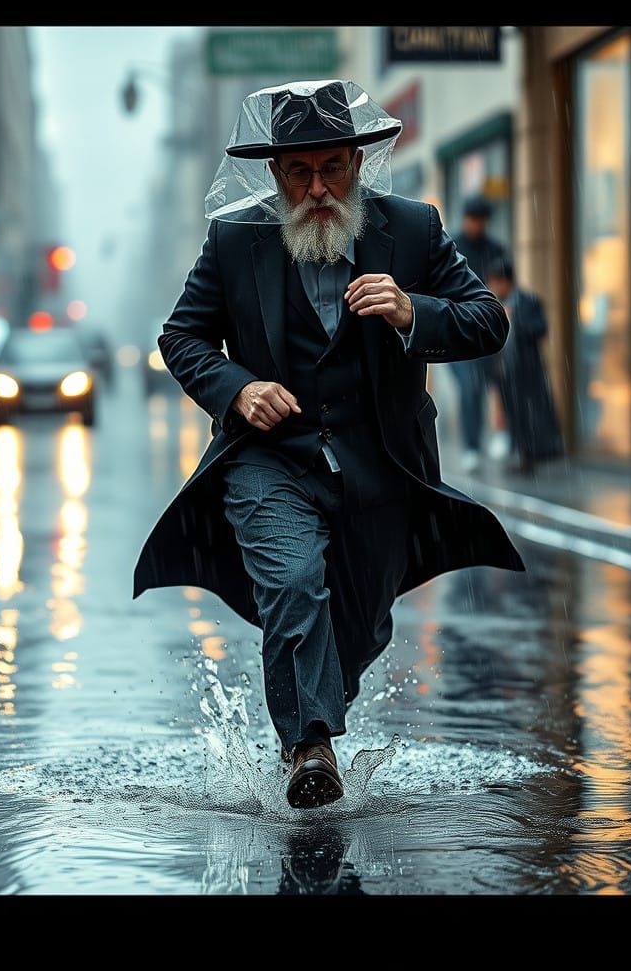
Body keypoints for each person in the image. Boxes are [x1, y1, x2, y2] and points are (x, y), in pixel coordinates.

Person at [132, 80, 525, 809]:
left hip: (383, 467)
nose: (318, 189)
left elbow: (487, 320)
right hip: (267, 460)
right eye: (299, 173)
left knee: (361, 627)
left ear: (356, 162)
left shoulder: (412, 229)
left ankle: (315, 703)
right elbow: (181, 337)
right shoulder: (234, 237)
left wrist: (415, 312)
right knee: (290, 586)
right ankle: (309, 749)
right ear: (275, 174)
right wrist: (237, 388)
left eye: (332, 169)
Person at [486, 256, 563, 474]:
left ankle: (533, 455)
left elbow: (540, 329)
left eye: (495, 282)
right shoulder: (495, 305)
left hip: (527, 369)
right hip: (505, 371)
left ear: (506, 281)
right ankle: (520, 454)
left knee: (532, 413)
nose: (493, 287)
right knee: (514, 414)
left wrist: (516, 319)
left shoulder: (527, 301)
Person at [448, 195, 507, 473]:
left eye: (481, 220)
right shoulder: (452, 245)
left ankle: (499, 435)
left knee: (493, 383)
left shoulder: (495, 249)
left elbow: (507, 283)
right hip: (458, 331)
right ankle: (471, 446)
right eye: (473, 219)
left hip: (487, 330)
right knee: (470, 388)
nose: (476, 225)